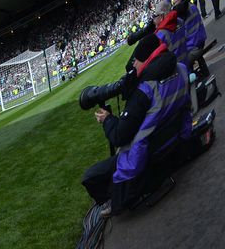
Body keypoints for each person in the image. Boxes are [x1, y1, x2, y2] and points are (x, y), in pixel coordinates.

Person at [80, 33, 191, 216]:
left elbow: (119, 137)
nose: (134, 65)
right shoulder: (180, 68)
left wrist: (108, 119)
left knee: (90, 177)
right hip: (173, 141)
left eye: (136, 61)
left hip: (147, 155)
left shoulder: (144, 90)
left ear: (147, 59)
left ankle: (116, 200)